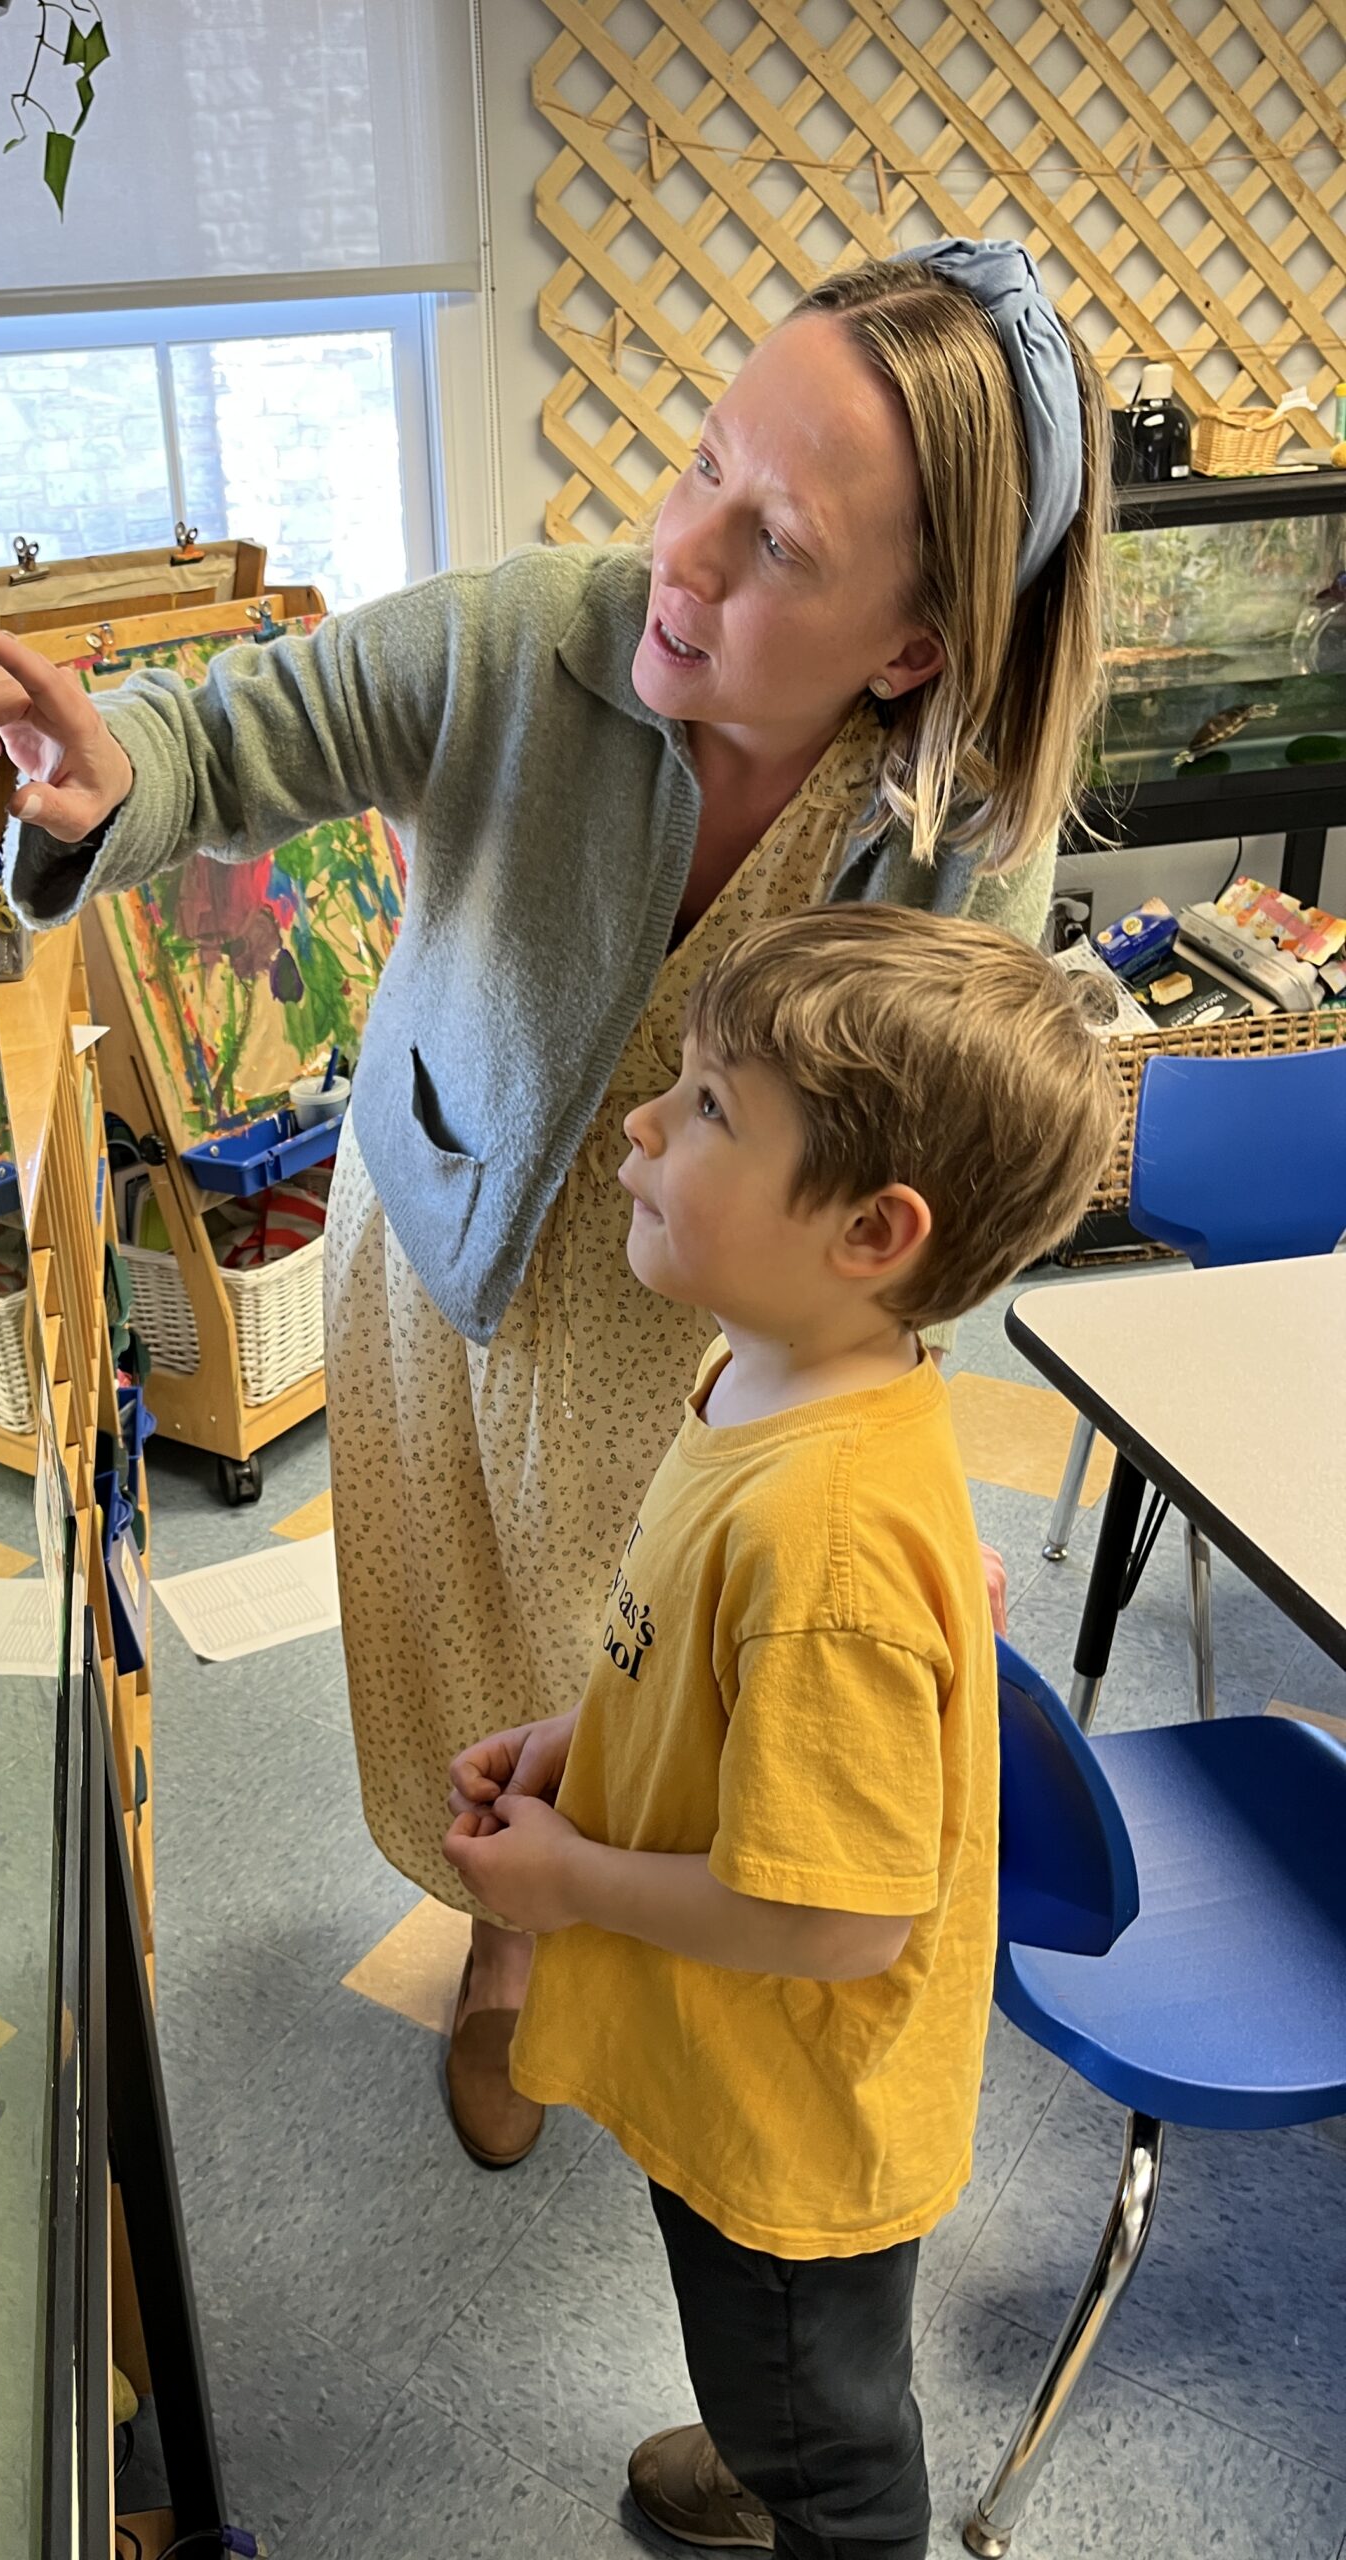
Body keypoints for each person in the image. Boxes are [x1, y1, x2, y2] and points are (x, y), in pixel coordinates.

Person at [0, 237, 1111, 2165]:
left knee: (645, 1661)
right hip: (444, 1255)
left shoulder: (953, 838)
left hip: (700, 1336)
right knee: (472, 1635)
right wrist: (104, 777)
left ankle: (609, 1927)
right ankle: (504, 1937)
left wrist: (911, 1473)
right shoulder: (529, 641)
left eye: (778, 545)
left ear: (910, 648)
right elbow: (237, 733)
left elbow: (946, 1181)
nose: (682, 557)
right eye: (702, 466)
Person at [443, 905, 1123, 2558]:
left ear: (872, 1233)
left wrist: (573, 1882)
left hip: (795, 2112)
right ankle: (772, 2445)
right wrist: (588, 1738)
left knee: (826, 2425)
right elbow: (712, 1669)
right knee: (783, 2367)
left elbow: (838, 1921)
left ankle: (795, 2480)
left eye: (706, 1109)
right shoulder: (763, 1371)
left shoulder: (828, 1543)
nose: (638, 1125)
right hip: (732, 2050)